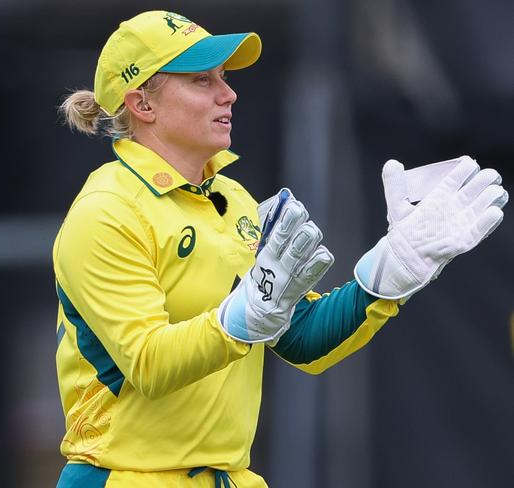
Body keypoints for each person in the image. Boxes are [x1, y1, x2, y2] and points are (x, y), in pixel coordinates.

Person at [52, 10, 508, 488]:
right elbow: (147, 364)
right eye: (201, 80)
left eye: (223, 78)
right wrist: (240, 318)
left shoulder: (232, 200)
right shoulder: (106, 211)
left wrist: (394, 272)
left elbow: (302, 340)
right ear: (142, 104)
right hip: (121, 478)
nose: (227, 94)